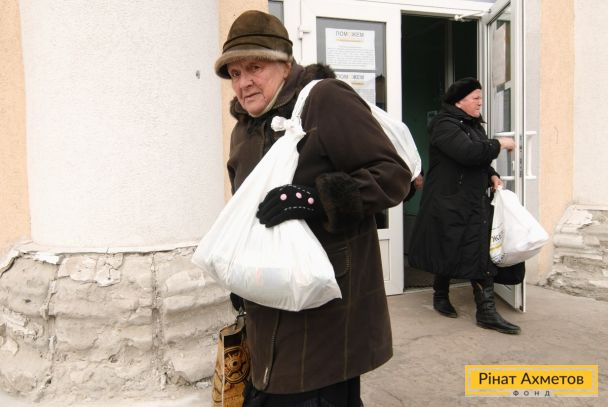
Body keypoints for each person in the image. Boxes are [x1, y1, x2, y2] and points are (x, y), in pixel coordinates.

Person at [215, 10, 412, 406]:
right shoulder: (244, 129)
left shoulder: (324, 100)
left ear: (285, 65)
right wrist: (240, 276)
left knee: (315, 393)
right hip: (267, 293)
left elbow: (393, 176)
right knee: (270, 388)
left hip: (326, 300)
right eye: (235, 73)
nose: (243, 83)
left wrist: (315, 199)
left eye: (255, 68)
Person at [408, 77, 522, 335]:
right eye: (475, 98)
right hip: (448, 200)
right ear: (459, 102)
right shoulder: (444, 125)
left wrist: (492, 174)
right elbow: (468, 153)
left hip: (471, 200)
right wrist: (499, 144)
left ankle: (486, 311)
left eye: (481, 98)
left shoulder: (471, 124)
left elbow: (479, 157)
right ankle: (440, 294)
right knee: (449, 247)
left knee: (477, 251)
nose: (480, 102)